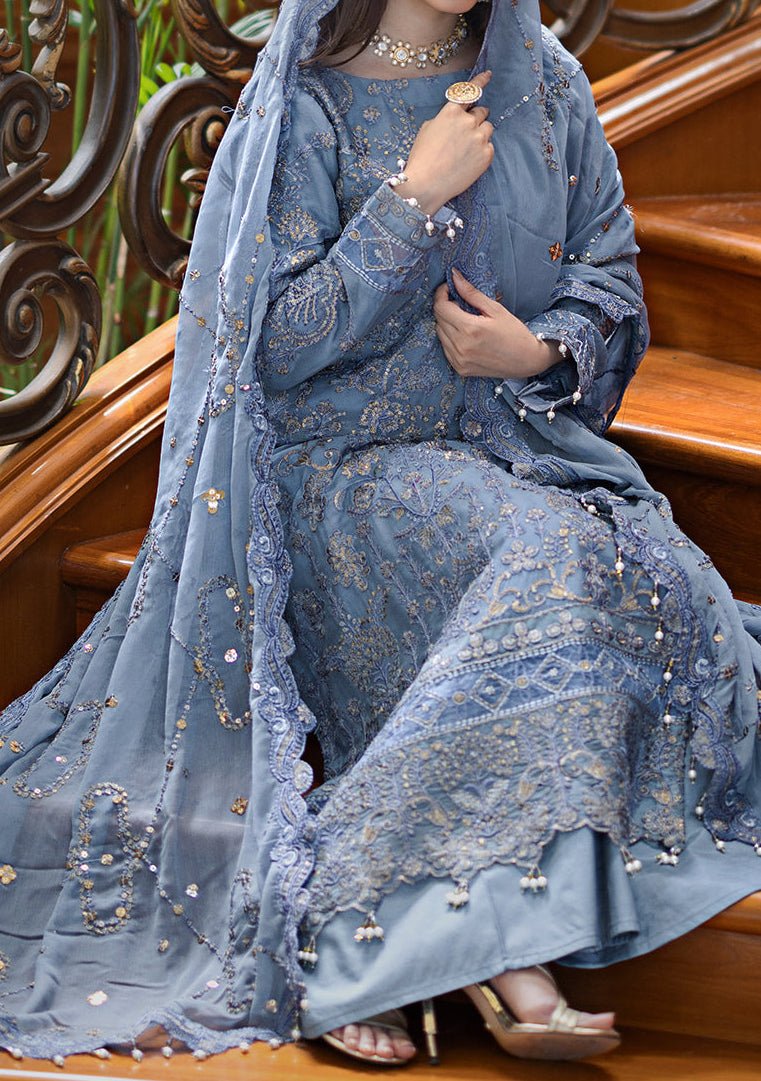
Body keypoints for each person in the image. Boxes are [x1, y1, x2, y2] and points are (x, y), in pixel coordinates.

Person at [2, 0, 761, 1069]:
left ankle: (435, 936)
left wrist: (536, 351)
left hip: (518, 449)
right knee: (555, 558)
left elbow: (609, 278)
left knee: (633, 572)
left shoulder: (540, 78)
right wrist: (412, 197)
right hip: (341, 471)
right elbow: (273, 345)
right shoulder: (308, 100)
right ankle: (417, 939)